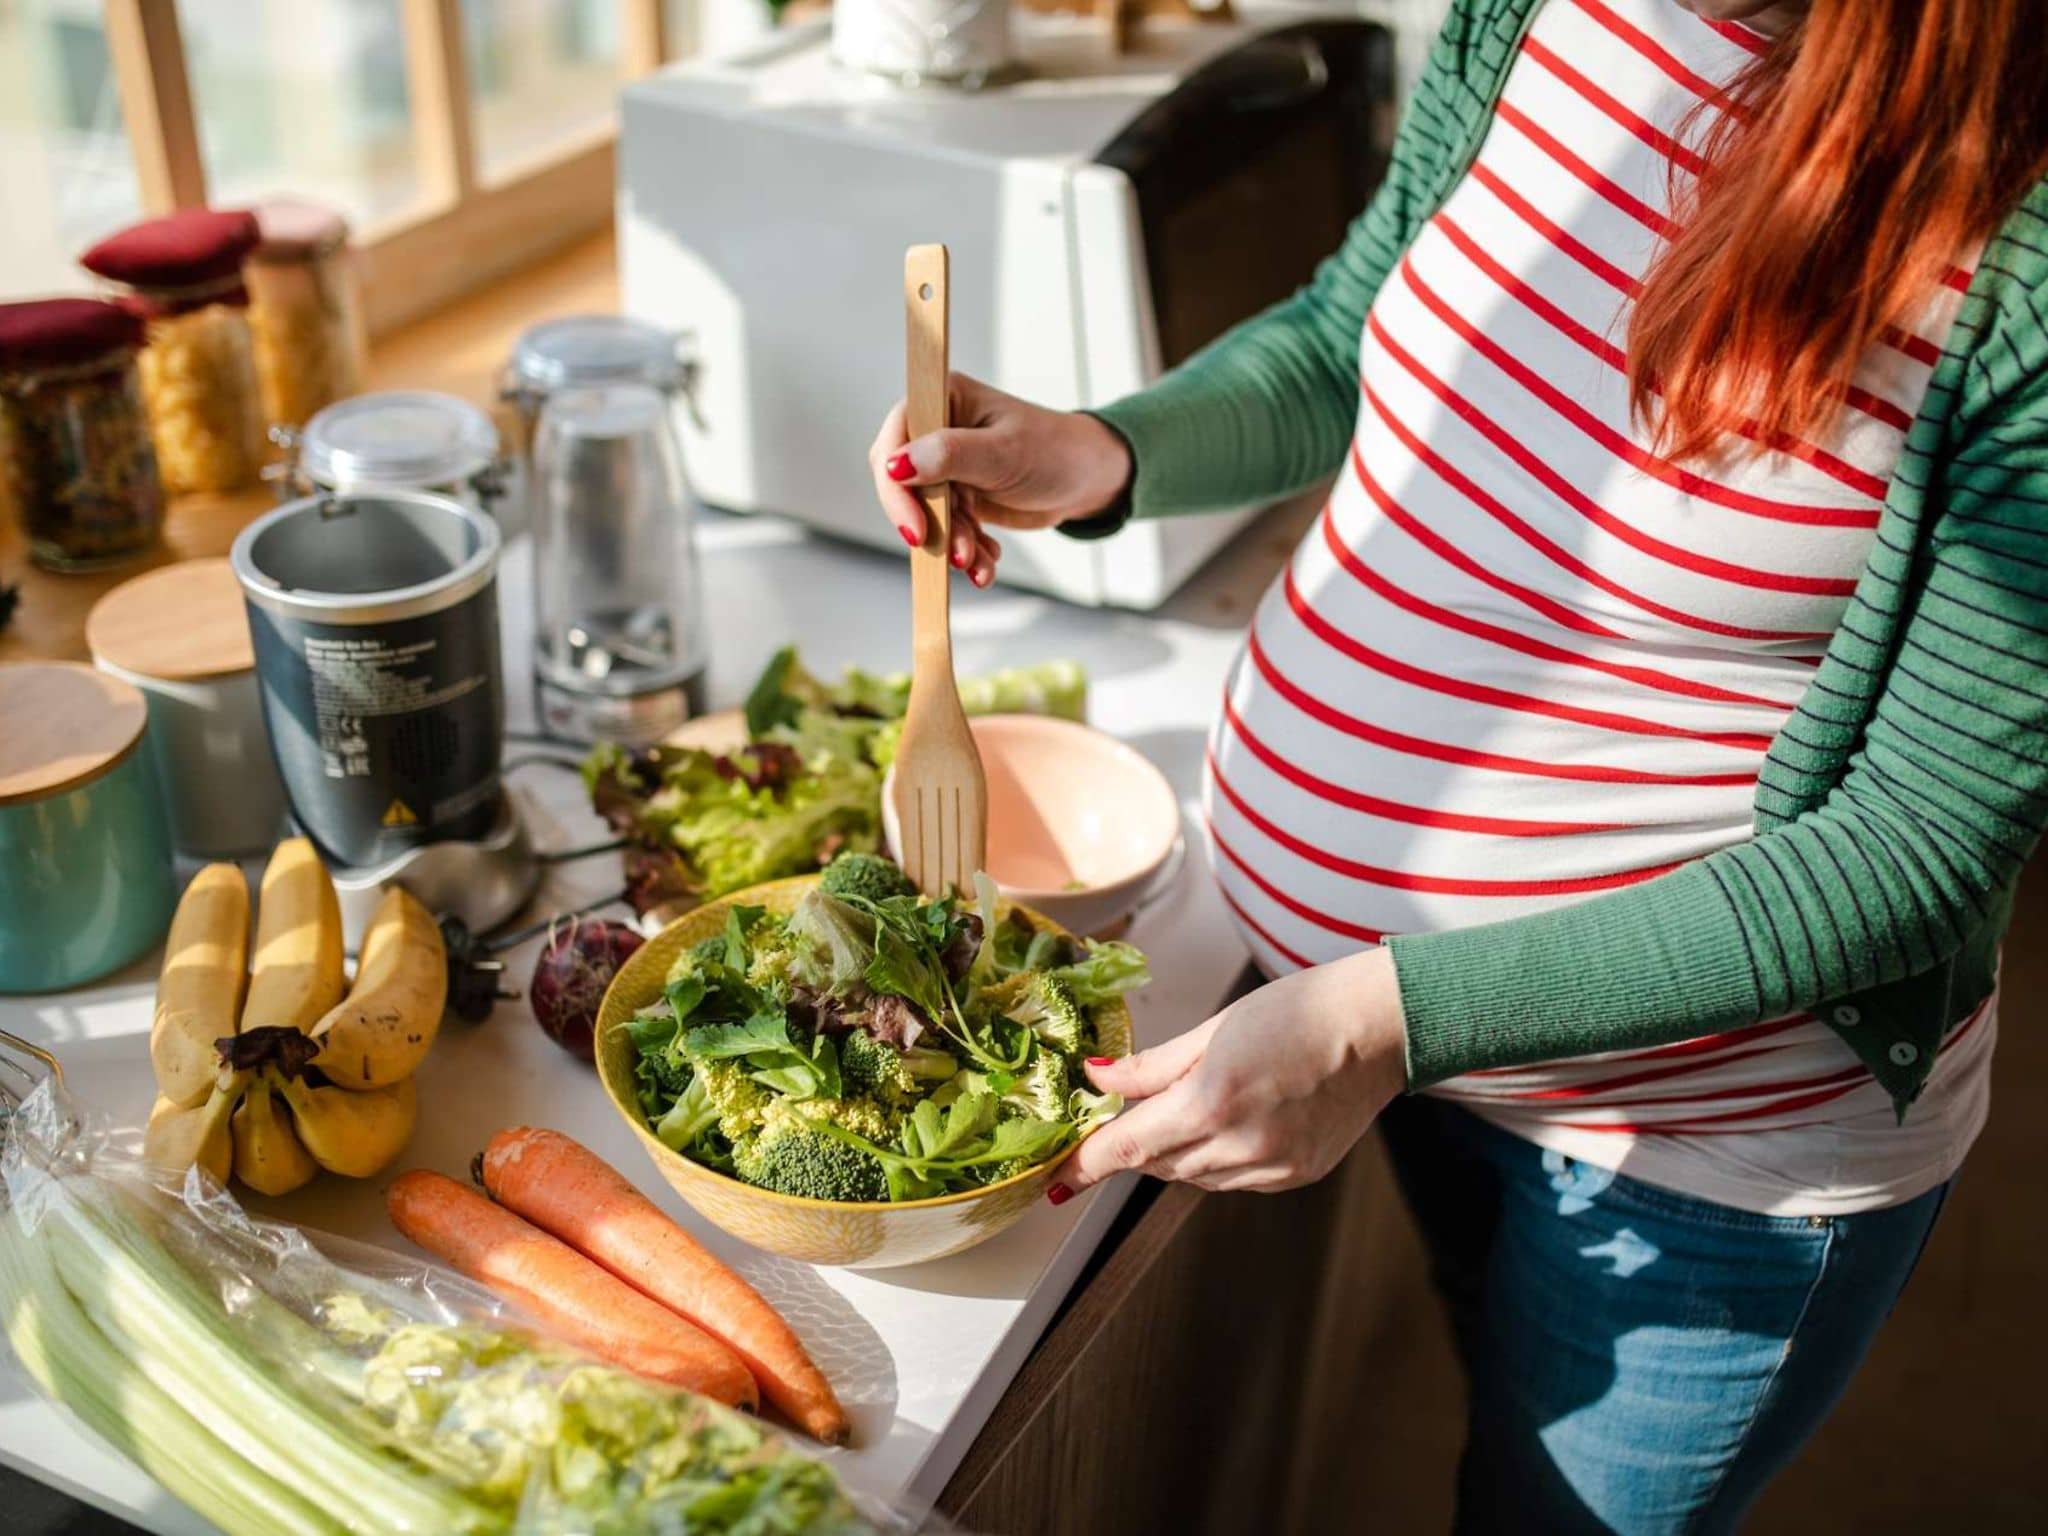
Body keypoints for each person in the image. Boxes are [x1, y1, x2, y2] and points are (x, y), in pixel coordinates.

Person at [866, 0, 2048, 1528]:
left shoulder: (2015, 236)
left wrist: (1386, 1016)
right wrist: (1105, 451)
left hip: (1697, 1142)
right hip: (1408, 1043)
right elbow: (1354, 331)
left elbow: (1910, 859)